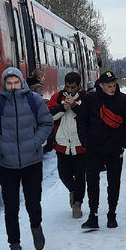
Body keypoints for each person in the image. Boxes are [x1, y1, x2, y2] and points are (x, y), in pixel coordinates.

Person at [0, 67, 54, 250]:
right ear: (4, 84)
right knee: (11, 208)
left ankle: (36, 225)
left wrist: (36, 142)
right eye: (9, 83)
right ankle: (15, 249)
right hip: (8, 164)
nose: (13, 86)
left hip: (32, 162)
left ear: (22, 82)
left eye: (16, 82)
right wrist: (2, 146)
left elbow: (47, 122)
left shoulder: (33, 99)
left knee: (33, 201)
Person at [76, 70, 126, 229]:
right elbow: (82, 121)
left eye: (114, 85)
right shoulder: (90, 100)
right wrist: (85, 142)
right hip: (93, 148)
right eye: (109, 86)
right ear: (101, 85)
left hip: (114, 148)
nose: (112, 88)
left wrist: (124, 144)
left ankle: (112, 214)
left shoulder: (124, 101)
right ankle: (93, 215)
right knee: (92, 181)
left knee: (114, 182)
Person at [48, 71, 87, 218]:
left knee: (80, 176)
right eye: (67, 87)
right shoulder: (57, 97)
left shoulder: (86, 98)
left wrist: (75, 106)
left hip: (80, 145)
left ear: (79, 86)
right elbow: (48, 116)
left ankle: (77, 204)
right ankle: (73, 190)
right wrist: (62, 108)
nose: (69, 90)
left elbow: (88, 115)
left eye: (73, 87)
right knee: (64, 175)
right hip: (62, 144)